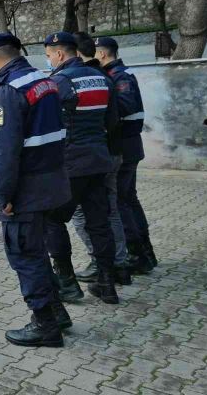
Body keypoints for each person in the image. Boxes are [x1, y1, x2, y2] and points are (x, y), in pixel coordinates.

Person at [0, 32, 72, 347]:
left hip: (27, 189)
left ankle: (46, 325)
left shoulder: (6, 91)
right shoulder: (45, 81)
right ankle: (58, 312)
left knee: (24, 254)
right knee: (37, 252)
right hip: (55, 182)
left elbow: (4, 152)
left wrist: (4, 197)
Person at [43, 32, 120, 305]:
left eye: (49, 55)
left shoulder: (59, 82)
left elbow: (51, 126)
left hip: (71, 164)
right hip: (100, 161)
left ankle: (67, 284)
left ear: (60, 54)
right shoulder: (102, 78)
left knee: (53, 220)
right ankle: (107, 284)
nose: (49, 60)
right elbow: (113, 122)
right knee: (99, 224)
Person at [71, 33, 132, 286]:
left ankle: (101, 262)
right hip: (110, 152)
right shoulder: (105, 78)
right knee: (111, 210)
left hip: (91, 157)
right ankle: (119, 263)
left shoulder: (80, 79)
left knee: (83, 213)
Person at [96, 37, 157, 272]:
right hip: (129, 146)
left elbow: (125, 107)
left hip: (124, 146)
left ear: (102, 54)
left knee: (122, 202)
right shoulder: (118, 74)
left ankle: (138, 254)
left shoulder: (118, 76)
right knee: (129, 199)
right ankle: (146, 253)